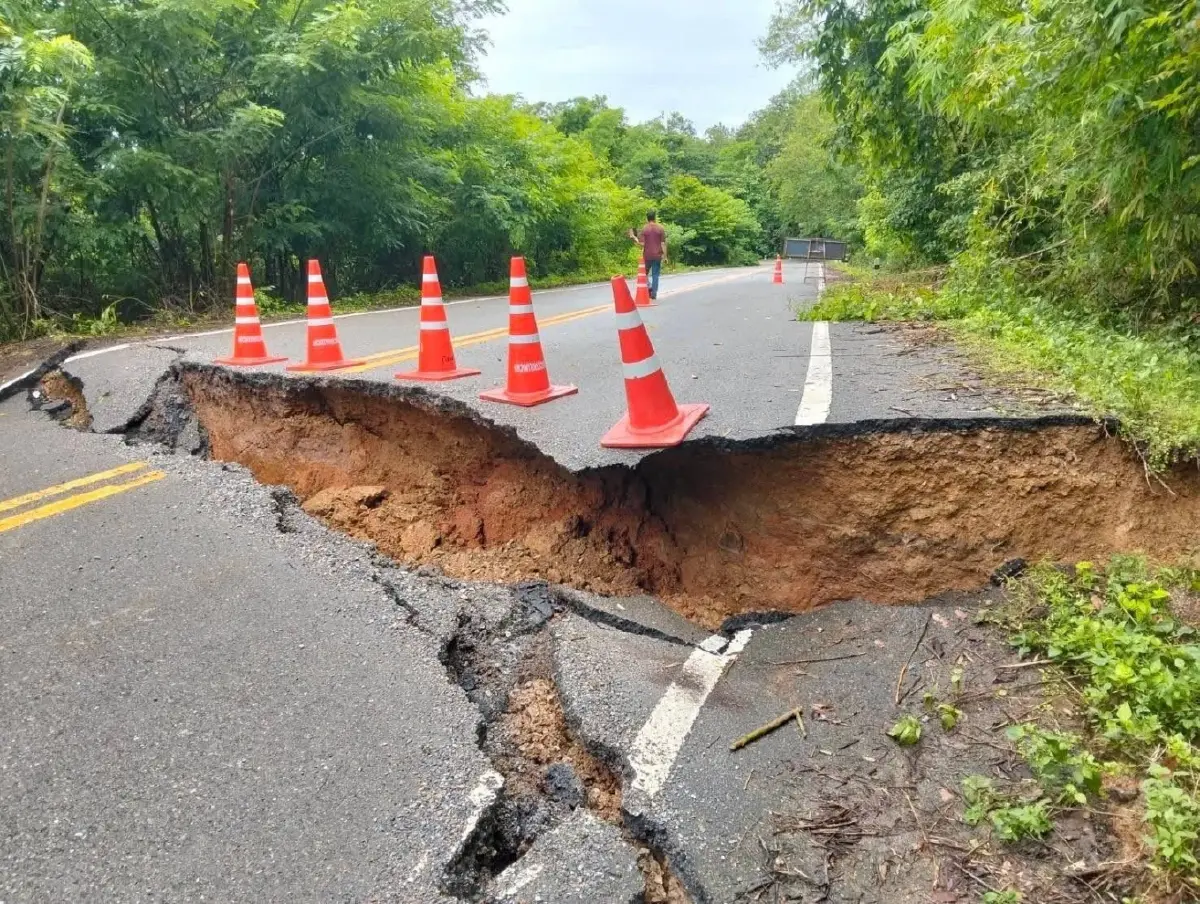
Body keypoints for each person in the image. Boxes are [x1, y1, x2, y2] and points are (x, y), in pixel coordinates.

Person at [628, 210, 667, 300]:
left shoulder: (644, 229)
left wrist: (635, 238)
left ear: (647, 218)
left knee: (644, 274)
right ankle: (654, 293)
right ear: (655, 217)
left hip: (647, 255)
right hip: (657, 255)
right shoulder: (660, 228)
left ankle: (649, 286)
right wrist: (665, 256)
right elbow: (663, 244)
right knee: (655, 275)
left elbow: (642, 244)